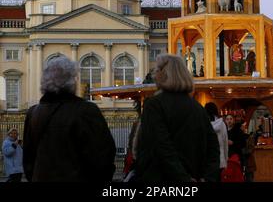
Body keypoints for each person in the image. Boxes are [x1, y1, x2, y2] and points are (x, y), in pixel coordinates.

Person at [23, 56, 116, 182]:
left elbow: (28, 160)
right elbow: (103, 156)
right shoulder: (86, 110)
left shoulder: (33, 112)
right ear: (72, 82)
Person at [135, 54, 220, 183]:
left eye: (157, 70)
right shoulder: (197, 108)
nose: (154, 74)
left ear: (163, 74)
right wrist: (208, 177)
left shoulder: (154, 105)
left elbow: (162, 147)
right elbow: (213, 147)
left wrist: (184, 179)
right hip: (195, 175)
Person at [204, 102, 228, 180]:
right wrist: (226, 160)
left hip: (206, 161)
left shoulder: (203, 124)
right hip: (220, 160)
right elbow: (225, 143)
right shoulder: (222, 124)